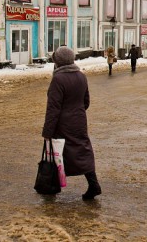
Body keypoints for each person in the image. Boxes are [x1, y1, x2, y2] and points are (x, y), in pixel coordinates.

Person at [43, 46, 100, 200]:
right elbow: (86, 101)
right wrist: (77, 112)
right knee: (83, 150)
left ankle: (51, 186)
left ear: (58, 62)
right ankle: (93, 184)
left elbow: (53, 108)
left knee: (57, 152)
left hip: (62, 123)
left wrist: (47, 131)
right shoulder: (81, 76)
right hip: (79, 121)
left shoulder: (58, 79)